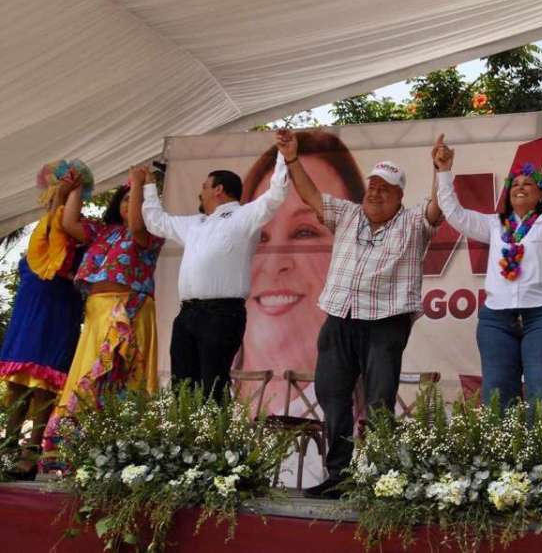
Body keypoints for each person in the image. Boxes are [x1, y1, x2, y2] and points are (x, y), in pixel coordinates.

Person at [276, 129, 443, 499]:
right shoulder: (348, 214)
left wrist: (441, 171)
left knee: (379, 400)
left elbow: (437, 207)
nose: (375, 191)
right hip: (339, 317)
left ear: (400, 196)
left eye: (385, 187)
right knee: (332, 395)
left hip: (386, 322)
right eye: (372, 185)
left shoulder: (414, 223)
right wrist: (291, 159)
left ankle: (378, 478)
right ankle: (340, 474)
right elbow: (310, 195)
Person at [433, 126, 542, 413]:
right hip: (496, 320)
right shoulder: (494, 224)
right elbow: (454, 213)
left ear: (541, 194)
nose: (521, 187)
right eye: (515, 184)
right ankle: (502, 460)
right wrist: (444, 171)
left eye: (528, 183)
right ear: (508, 195)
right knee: (497, 398)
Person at [141, 151, 289, 400]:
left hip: (222, 313)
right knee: (182, 387)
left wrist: (284, 156)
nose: (201, 193)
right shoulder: (195, 223)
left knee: (213, 385)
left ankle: (214, 439)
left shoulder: (244, 216)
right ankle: (185, 438)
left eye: (204, 187)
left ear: (218, 189)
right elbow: (156, 222)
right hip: (188, 313)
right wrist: (147, 185)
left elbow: (276, 195)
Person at [239, 131, 365, 413]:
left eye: (305, 232)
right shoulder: (206, 402)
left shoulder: (385, 421)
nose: (274, 264)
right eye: (260, 236)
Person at [43, 168, 164, 454]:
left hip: (130, 310)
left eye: (132, 199)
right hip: (98, 312)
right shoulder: (102, 232)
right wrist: (77, 189)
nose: (127, 203)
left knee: (124, 376)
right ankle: (77, 448)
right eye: (123, 199)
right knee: (88, 375)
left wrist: (138, 184)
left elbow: (136, 226)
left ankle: (121, 449)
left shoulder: (151, 233)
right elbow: (69, 222)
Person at [0, 163, 89, 478]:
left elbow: (60, 220)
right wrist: (61, 193)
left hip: (56, 312)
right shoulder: (39, 241)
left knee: (43, 386)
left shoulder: (78, 237)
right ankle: (8, 451)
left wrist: (68, 192)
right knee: (14, 384)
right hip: (27, 313)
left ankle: (30, 454)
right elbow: (50, 221)